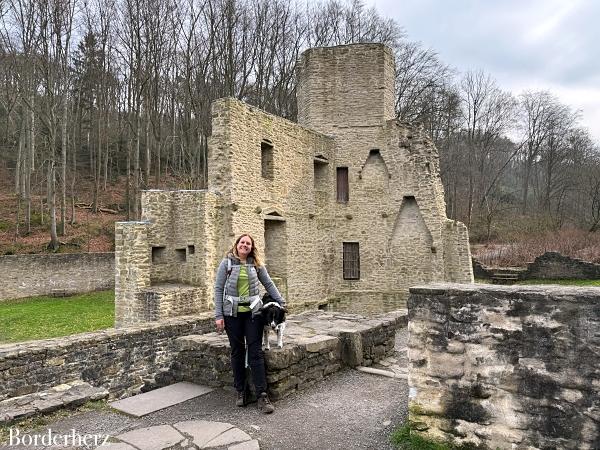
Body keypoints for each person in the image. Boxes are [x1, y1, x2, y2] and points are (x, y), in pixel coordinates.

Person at [214, 233, 285, 414]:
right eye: (242, 242)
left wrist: (281, 302)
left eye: (248, 243)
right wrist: (218, 315)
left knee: (255, 352)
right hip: (232, 314)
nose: (244, 245)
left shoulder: (256, 264)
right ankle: (241, 391)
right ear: (236, 245)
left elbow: (268, 284)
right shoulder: (226, 263)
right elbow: (219, 289)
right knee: (237, 351)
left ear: (251, 247)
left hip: (253, 313)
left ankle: (262, 394)